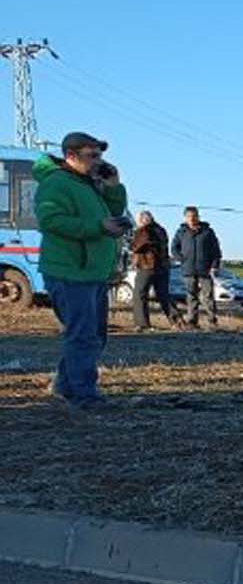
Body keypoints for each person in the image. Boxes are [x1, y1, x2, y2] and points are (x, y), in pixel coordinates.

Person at [33, 132, 129, 408]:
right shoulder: (56, 184)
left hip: (91, 271)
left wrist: (113, 187)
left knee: (93, 335)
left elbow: (111, 211)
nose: (99, 161)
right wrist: (98, 228)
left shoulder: (86, 184)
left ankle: (66, 385)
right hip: (70, 271)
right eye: (92, 155)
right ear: (71, 156)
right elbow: (51, 221)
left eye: (100, 155)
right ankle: (83, 394)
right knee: (84, 335)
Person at [172, 206, 223, 328]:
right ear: (185, 218)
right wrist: (181, 259)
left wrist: (214, 265)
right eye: (189, 216)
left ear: (198, 216)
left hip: (205, 269)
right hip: (188, 269)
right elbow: (174, 248)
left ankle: (212, 321)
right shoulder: (181, 232)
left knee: (208, 296)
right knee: (191, 297)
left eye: (194, 216)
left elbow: (216, 250)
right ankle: (192, 321)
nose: (192, 218)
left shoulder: (208, 232)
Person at [129, 209, 178, 330]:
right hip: (163, 266)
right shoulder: (161, 230)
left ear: (142, 220)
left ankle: (142, 323)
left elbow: (135, 247)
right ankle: (177, 321)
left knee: (139, 294)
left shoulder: (144, 230)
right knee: (163, 295)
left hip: (147, 266)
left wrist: (131, 241)